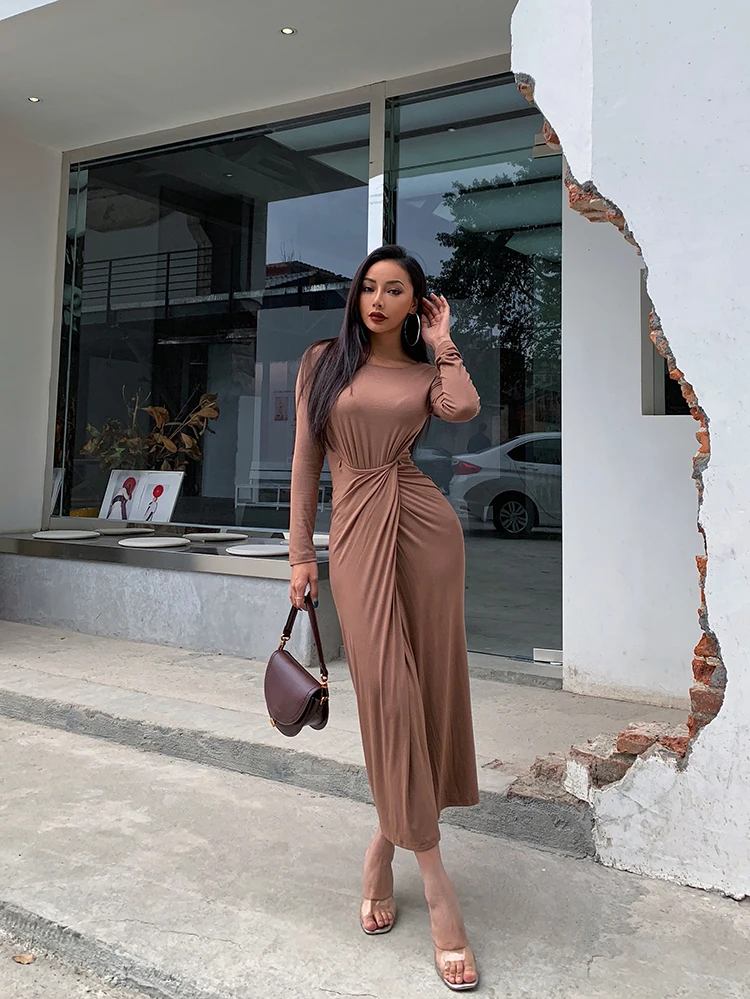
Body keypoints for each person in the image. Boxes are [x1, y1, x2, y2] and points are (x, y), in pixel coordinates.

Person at [289, 245, 481, 991]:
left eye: (394, 289)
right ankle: (435, 882)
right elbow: (307, 461)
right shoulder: (322, 362)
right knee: (388, 696)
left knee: (426, 692)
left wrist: (445, 342)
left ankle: (383, 841)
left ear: (414, 302)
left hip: (426, 532)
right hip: (357, 533)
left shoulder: (427, 373)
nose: (376, 299)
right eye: (368, 286)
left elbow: (463, 408)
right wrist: (301, 554)